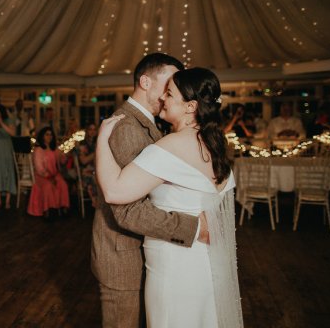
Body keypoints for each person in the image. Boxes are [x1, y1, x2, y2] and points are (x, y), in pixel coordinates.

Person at [96, 67, 243, 328]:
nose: (164, 98)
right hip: (203, 263)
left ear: (190, 106)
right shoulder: (214, 142)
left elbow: (114, 191)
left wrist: (101, 140)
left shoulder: (172, 145)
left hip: (175, 266)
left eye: (170, 94)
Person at [90, 53, 202, 328]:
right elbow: (129, 209)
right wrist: (193, 227)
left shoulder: (147, 124)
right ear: (145, 82)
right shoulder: (126, 126)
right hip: (121, 252)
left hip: (137, 249)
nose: (169, 93)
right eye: (168, 84)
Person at [27, 126, 70, 218]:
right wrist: (49, 177)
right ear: (42, 136)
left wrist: (65, 156)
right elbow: (39, 168)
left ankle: (63, 208)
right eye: (47, 134)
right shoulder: (38, 150)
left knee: (63, 184)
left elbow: (61, 160)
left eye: (51, 134)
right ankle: (48, 210)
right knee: (48, 186)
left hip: (54, 174)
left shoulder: (54, 148)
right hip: (41, 176)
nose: (49, 136)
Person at [78, 122, 98, 207]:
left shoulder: (99, 142)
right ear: (87, 131)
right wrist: (95, 153)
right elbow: (83, 161)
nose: (92, 131)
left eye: (94, 129)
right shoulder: (83, 144)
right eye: (90, 129)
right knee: (91, 178)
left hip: (98, 170)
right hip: (87, 171)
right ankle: (95, 202)